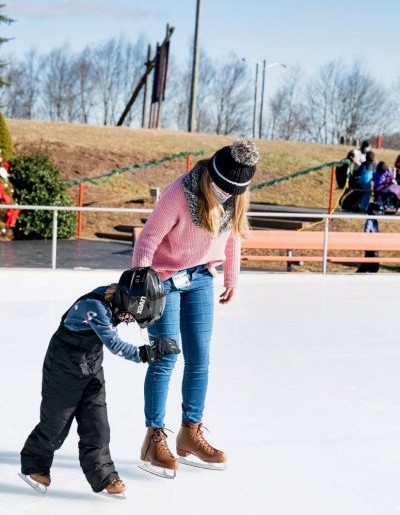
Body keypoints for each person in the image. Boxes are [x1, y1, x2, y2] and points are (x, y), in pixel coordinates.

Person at [132, 138, 259, 478]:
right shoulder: (179, 194)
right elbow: (147, 241)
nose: (225, 195)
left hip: (201, 277)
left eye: (233, 191)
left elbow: (232, 236)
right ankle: (154, 437)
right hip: (164, 277)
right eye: (221, 188)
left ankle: (190, 432)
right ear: (211, 177)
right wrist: (139, 289)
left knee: (200, 357)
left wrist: (231, 278)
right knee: (166, 355)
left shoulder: (234, 197)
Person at [19, 267, 180, 496]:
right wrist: (149, 353)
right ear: (130, 300)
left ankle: (104, 476)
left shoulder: (117, 302)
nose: (131, 320)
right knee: (56, 424)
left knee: (98, 425)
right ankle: (34, 465)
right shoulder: (95, 306)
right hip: (63, 366)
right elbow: (115, 345)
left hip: (91, 365)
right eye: (133, 315)